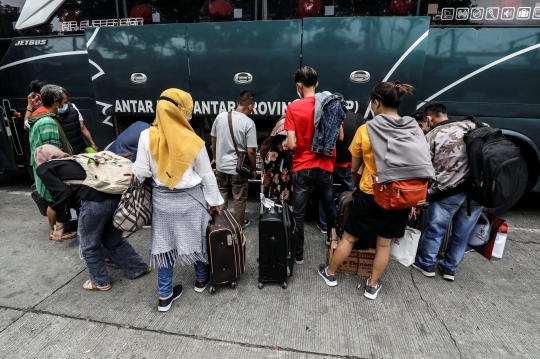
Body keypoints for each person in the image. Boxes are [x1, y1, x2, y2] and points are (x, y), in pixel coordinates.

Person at [317, 81, 434, 300]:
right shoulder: (413, 128)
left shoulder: (366, 129)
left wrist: (359, 184)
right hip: (402, 195)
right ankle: (372, 285)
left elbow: (354, 170)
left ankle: (330, 273)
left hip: (372, 194)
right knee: (384, 243)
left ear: (376, 103)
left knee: (349, 238)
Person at [133, 88, 223, 312]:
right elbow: (207, 175)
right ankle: (201, 280)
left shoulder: (147, 136)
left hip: (163, 202)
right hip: (192, 200)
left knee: (165, 248)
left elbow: (141, 172)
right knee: (200, 242)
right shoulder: (193, 140)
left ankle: (164, 296)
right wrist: (215, 202)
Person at [35, 144, 150, 291]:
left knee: (89, 245)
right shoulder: (74, 160)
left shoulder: (44, 168)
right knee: (113, 239)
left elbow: (63, 194)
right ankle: (138, 268)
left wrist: (60, 225)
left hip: (94, 203)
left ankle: (99, 282)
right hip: (116, 197)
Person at [413, 103, 483, 281]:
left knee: (436, 229)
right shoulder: (476, 126)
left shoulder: (433, 135)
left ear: (428, 118)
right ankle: (450, 269)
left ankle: (426, 264)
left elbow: (423, 168)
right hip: (478, 191)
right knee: (462, 232)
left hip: (447, 191)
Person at [284, 66, 343, 264]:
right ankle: (333, 244)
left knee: (298, 214)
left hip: (302, 167)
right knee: (329, 209)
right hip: (325, 166)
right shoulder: (330, 105)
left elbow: (291, 144)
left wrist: (299, 143)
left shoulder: (293, 108)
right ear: (316, 84)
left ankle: (299, 255)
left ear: (298, 86)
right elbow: (340, 137)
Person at [28, 84, 75, 240]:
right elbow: (52, 153)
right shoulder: (48, 122)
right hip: (48, 168)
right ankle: (54, 231)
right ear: (55, 102)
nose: (64, 105)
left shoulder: (39, 117)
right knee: (54, 200)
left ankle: (54, 229)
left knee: (53, 199)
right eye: (63, 102)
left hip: (42, 167)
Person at [317, 95, 364, 234]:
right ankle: (347, 224)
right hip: (349, 165)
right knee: (350, 194)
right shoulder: (357, 117)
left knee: (325, 194)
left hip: (329, 163)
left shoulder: (326, 116)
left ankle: (324, 225)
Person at [211, 90, 257, 229]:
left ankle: (222, 224)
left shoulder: (220, 117)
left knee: (222, 192)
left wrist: (215, 158)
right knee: (239, 196)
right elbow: (251, 151)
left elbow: (213, 139)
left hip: (221, 165)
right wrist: (253, 169)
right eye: (252, 108)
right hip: (238, 168)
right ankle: (238, 226)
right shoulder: (249, 123)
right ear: (249, 106)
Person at [260, 115, 294, 204]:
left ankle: (272, 208)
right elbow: (287, 146)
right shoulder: (288, 124)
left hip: (273, 159)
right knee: (279, 184)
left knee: (271, 185)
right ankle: (281, 210)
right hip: (278, 161)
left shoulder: (282, 121)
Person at [57, 88, 99, 154]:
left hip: (67, 153)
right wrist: (92, 143)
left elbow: (82, 127)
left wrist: (92, 143)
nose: (64, 104)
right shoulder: (73, 107)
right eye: (63, 102)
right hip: (78, 150)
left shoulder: (51, 114)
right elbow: (82, 127)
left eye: (66, 102)